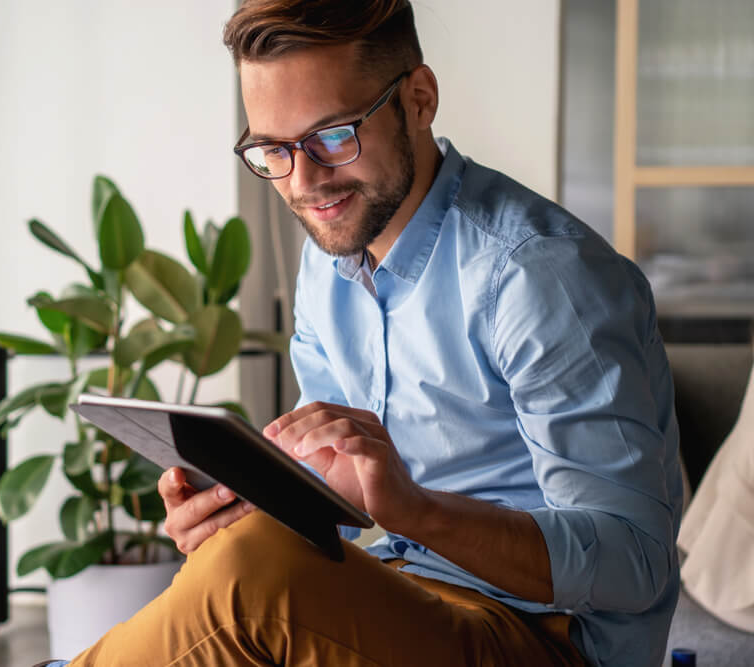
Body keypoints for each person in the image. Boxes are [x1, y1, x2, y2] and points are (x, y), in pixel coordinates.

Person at [64, 1, 683, 665]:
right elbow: (333, 498)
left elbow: (636, 562)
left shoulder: (541, 277)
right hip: (395, 594)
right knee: (236, 552)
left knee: (248, 579)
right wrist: (238, 502)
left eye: (332, 137)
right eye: (273, 148)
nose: (303, 183)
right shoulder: (328, 265)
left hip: (546, 637)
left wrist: (416, 510)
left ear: (418, 99)